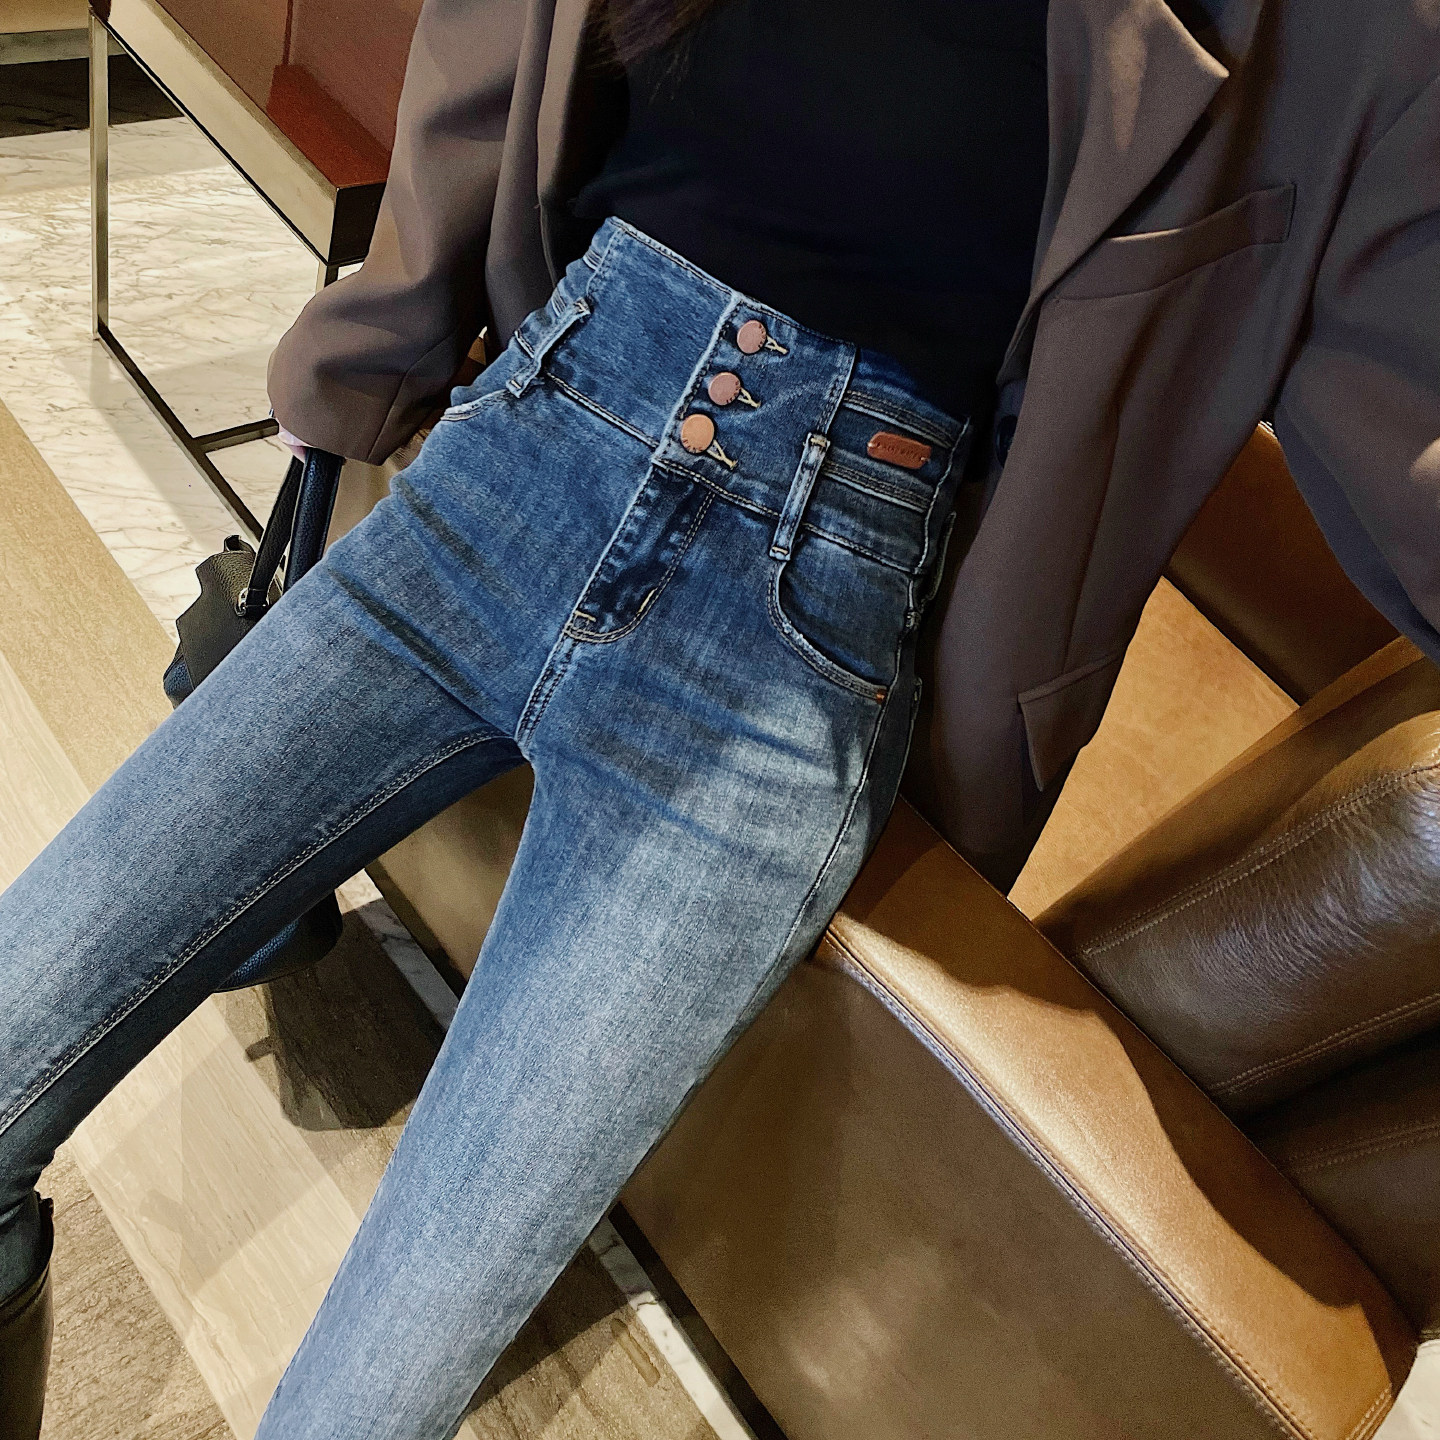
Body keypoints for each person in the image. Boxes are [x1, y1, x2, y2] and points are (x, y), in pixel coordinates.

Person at [2, 0, 1439, 1435]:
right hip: (523, 444)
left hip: (792, 652)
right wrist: (369, 349)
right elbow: (494, 50)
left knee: (367, 1397)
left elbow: (1406, 409)